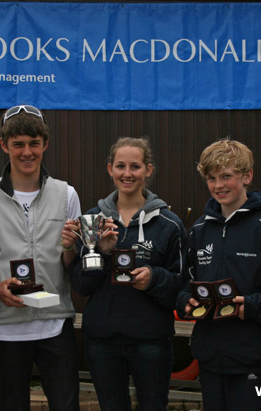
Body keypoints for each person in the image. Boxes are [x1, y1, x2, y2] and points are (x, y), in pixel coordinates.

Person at [176, 139, 261, 411]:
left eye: (227, 176)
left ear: (247, 176)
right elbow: (185, 282)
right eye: (211, 178)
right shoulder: (201, 229)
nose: (218, 185)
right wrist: (186, 302)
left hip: (256, 359)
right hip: (211, 358)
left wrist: (250, 306)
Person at [0, 105, 81, 411]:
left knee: (66, 405)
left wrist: (71, 248)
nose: (26, 152)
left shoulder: (67, 194)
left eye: (34, 143)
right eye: (18, 144)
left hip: (55, 323)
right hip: (6, 326)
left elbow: (71, 265)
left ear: (45, 144)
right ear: (4, 145)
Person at [62, 137, 187, 411]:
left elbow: (181, 286)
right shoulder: (93, 220)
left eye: (135, 166)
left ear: (148, 170)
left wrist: (153, 279)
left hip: (151, 341)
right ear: (110, 169)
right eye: (120, 166)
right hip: (103, 342)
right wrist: (104, 254)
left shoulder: (168, 224)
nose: (127, 174)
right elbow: (82, 285)